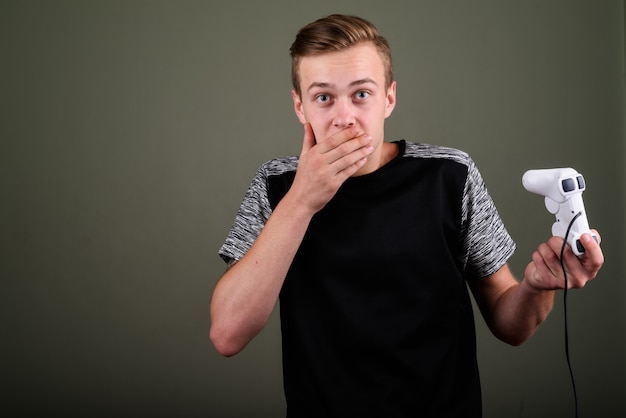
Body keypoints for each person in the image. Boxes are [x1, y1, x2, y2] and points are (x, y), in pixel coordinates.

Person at [210, 14, 604, 417]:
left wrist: (537, 287)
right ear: (300, 106)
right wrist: (302, 200)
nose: (344, 117)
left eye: (361, 94)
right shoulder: (276, 185)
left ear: (389, 98)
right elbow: (227, 334)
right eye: (324, 97)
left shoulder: (450, 175)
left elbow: (511, 325)